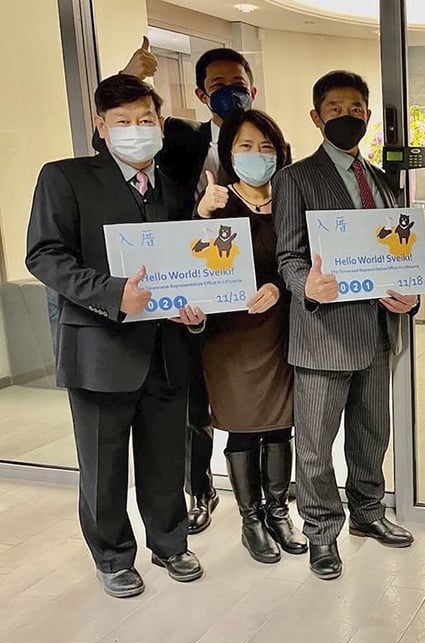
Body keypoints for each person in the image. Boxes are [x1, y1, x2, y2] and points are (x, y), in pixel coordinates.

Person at [25, 74, 206, 598]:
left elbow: (189, 265)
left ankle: (171, 544)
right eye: (122, 122)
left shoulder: (176, 187)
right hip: (100, 350)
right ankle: (112, 555)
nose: (135, 130)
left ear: (160, 125)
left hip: (167, 350)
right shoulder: (65, 177)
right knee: (104, 465)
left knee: (165, 457)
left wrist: (195, 311)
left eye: (145, 120)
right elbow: (45, 255)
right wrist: (110, 293)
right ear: (100, 127)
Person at [275, 70, 419, 581]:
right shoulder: (295, 178)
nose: (347, 116)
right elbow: (289, 255)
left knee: (371, 434)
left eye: (356, 108)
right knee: (315, 444)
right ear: (317, 118)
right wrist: (304, 287)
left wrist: (409, 295)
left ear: (368, 115)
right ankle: (320, 532)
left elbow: (400, 254)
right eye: (335, 109)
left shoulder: (381, 180)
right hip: (323, 335)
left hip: (379, 331)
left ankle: (368, 512)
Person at [119, 40, 261, 534]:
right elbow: (119, 140)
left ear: (253, 87)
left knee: (253, 398)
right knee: (192, 402)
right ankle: (199, 489)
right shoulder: (179, 139)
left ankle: (263, 503)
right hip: (194, 292)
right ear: (201, 93)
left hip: (253, 302)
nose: (230, 93)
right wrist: (133, 77)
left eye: (237, 84)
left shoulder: (268, 143)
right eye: (218, 86)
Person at [193, 109, 307, 564]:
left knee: (281, 424)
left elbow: (302, 257)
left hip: (281, 330)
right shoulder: (216, 202)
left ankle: (279, 513)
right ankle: (251, 519)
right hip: (229, 338)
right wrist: (200, 215)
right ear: (228, 152)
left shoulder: (290, 198)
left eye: (266, 148)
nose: (257, 155)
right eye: (245, 146)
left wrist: (279, 287)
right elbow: (191, 265)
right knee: (242, 428)